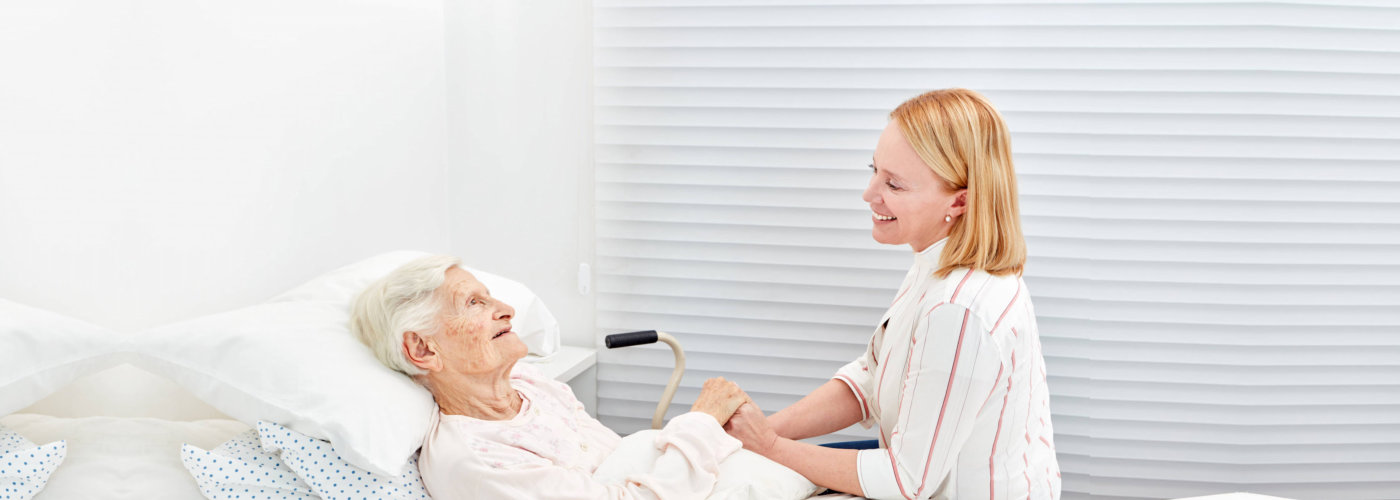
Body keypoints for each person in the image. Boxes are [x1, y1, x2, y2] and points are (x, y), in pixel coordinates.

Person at [722, 88, 1062, 499]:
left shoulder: (959, 308)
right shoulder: (936, 264)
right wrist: (764, 430)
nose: (870, 194)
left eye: (894, 185)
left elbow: (905, 480)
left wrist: (769, 447)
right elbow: (874, 374)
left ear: (960, 201)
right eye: (875, 170)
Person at [350, 255, 749, 499]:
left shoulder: (528, 385)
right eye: (474, 303)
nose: (507, 308)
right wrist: (702, 422)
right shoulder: (479, 462)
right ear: (423, 349)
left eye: (490, 296)